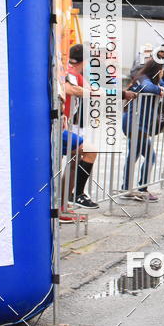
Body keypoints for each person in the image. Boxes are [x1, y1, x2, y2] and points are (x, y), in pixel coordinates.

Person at [121, 57, 164, 202]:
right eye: (161, 71)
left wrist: (161, 83)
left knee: (133, 155)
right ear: (156, 70)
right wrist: (159, 89)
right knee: (150, 156)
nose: (162, 74)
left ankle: (126, 188)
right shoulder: (143, 79)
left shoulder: (148, 78)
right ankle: (142, 189)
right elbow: (147, 88)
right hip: (135, 123)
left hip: (137, 123)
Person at [63, 44, 99, 210]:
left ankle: (63, 204)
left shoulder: (73, 72)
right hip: (57, 128)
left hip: (64, 125)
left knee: (74, 162)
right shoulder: (69, 72)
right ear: (85, 61)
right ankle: (76, 195)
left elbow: (89, 87)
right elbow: (71, 89)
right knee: (90, 150)